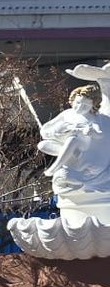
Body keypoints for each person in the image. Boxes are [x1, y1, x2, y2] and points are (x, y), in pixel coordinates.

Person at [37, 84, 110, 221]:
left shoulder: (93, 118)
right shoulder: (67, 114)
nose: (79, 108)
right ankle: (66, 157)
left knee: (73, 140)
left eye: (85, 106)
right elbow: (45, 131)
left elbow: (99, 133)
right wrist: (61, 129)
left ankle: (54, 168)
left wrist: (91, 132)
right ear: (72, 100)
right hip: (69, 150)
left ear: (93, 106)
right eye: (77, 103)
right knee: (43, 145)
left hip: (85, 151)